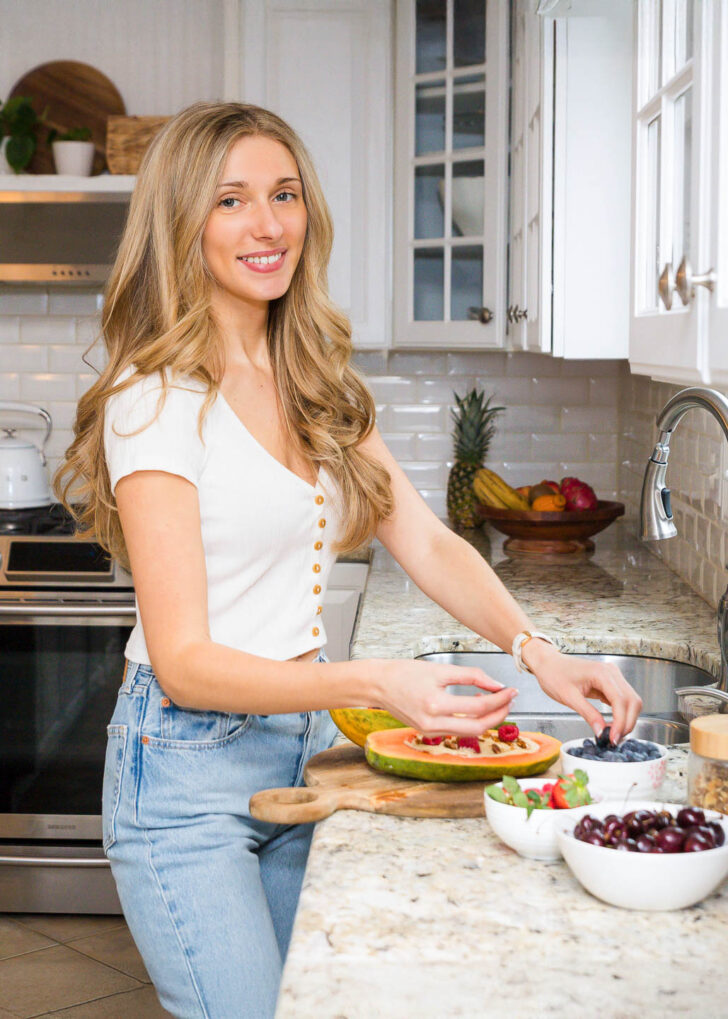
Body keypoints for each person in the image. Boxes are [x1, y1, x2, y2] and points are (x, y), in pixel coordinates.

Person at [56, 100, 642, 1018]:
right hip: (182, 774)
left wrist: (541, 652)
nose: (268, 224)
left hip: (300, 754)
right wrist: (369, 683)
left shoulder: (317, 375)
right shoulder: (157, 396)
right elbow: (185, 661)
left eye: (284, 194)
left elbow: (427, 539)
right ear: (182, 223)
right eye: (232, 201)